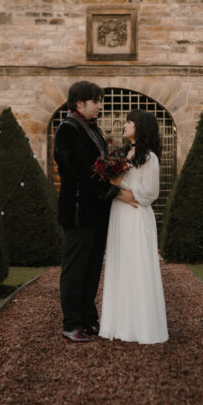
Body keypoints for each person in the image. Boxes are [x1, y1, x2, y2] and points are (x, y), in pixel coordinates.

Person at [54, 81, 137, 343]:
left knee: (92, 269)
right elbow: (79, 170)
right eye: (95, 101)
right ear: (80, 103)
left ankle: (88, 319)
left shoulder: (92, 129)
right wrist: (113, 192)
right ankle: (71, 324)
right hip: (79, 211)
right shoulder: (68, 130)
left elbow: (100, 165)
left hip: (96, 211)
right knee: (76, 268)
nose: (100, 106)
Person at [99, 109, 168, 344]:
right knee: (120, 263)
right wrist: (117, 190)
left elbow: (151, 193)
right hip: (119, 213)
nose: (125, 124)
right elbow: (109, 181)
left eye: (130, 121)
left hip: (137, 214)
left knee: (137, 264)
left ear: (141, 127)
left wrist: (125, 189)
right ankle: (119, 323)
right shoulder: (121, 154)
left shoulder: (149, 157)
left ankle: (142, 326)